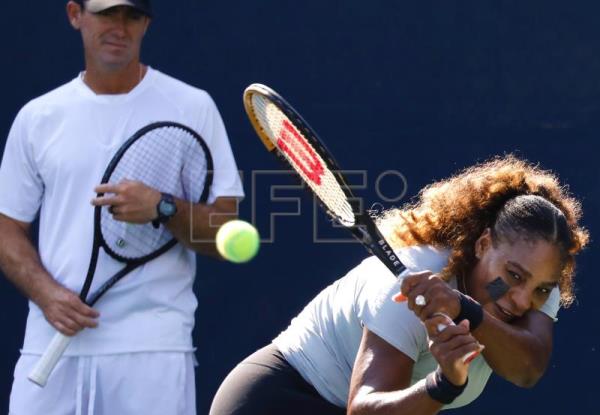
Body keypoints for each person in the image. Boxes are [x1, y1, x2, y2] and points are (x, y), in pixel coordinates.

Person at [0, 1, 244, 414]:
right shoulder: (37, 117)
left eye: (132, 16)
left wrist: (162, 207)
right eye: (106, 13)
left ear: (146, 24)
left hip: (152, 351)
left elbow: (226, 236)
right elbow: (6, 227)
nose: (119, 27)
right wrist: (47, 295)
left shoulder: (192, 106)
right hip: (51, 345)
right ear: (75, 15)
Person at [209, 155, 588, 415]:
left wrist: (465, 310)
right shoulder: (418, 274)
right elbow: (366, 408)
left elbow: (528, 367)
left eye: (541, 289)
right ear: (483, 244)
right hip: (282, 401)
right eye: (514, 277)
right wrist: (444, 383)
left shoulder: (535, 285)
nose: (522, 299)